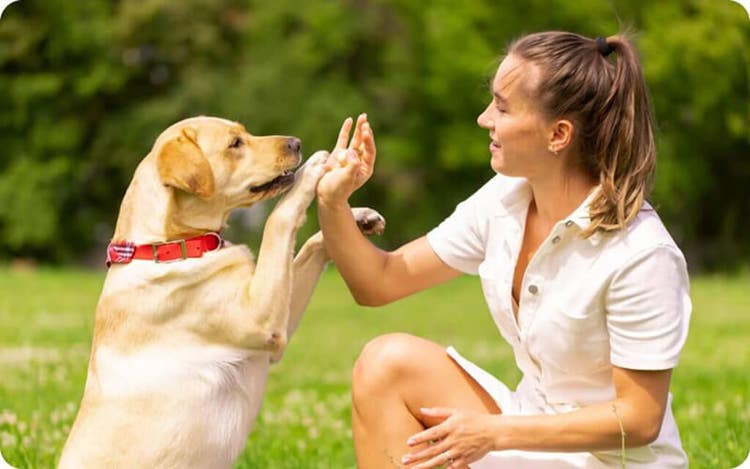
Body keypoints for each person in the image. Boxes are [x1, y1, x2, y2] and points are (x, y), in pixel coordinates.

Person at [315, 31, 690, 469]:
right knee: (386, 364)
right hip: (529, 435)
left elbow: (639, 419)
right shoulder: (504, 200)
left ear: (559, 134)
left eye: (503, 107)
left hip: (612, 462)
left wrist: (493, 433)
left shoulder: (641, 253)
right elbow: (378, 282)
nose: (483, 118)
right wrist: (332, 201)